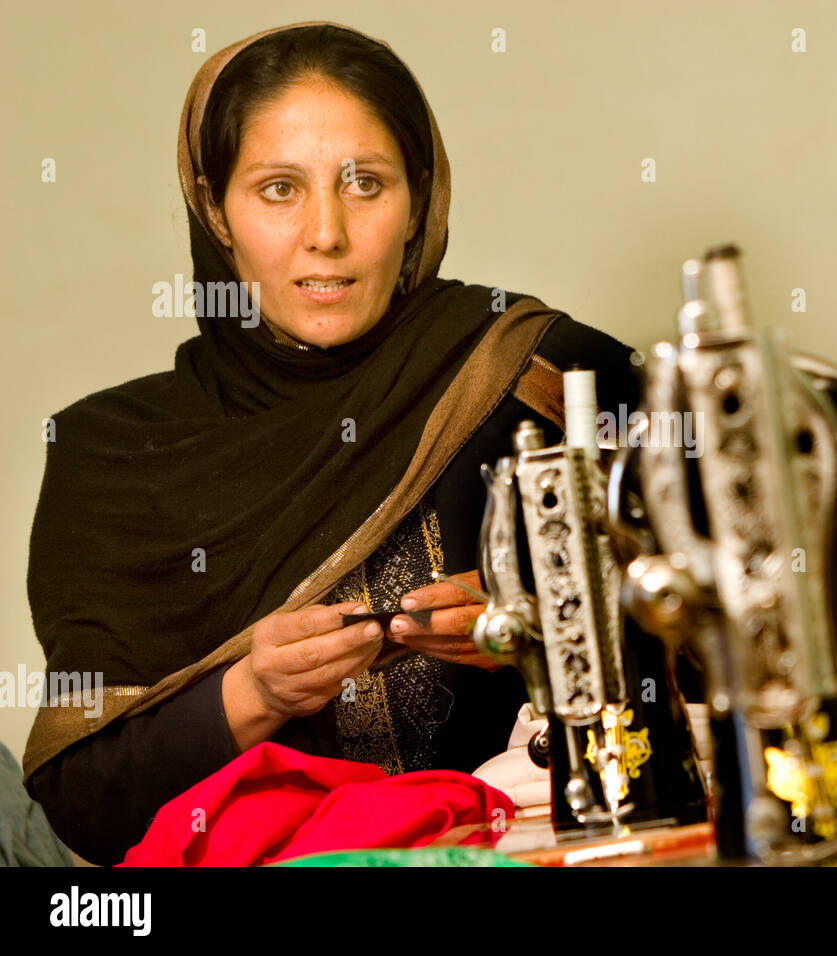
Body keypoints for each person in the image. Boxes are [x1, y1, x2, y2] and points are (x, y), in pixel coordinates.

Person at [22, 21, 640, 866]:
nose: (326, 234)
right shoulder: (116, 454)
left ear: (419, 197)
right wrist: (253, 693)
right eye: (279, 189)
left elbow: (746, 635)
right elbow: (86, 804)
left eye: (366, 185)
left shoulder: (539, 376)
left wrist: (538, 630)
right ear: (214, 210)